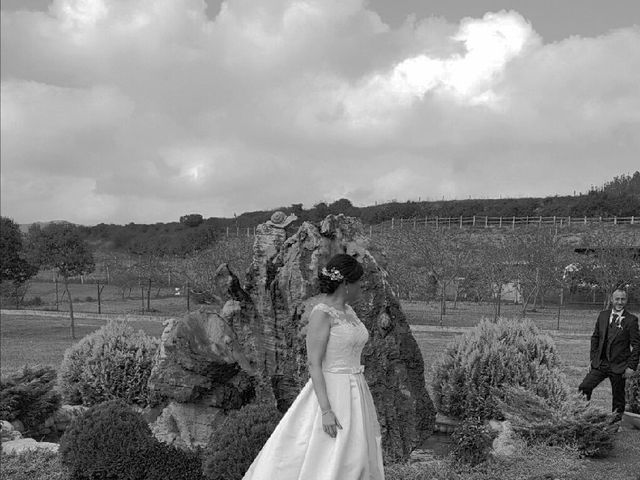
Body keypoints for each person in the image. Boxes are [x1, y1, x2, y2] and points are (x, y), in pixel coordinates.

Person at [243, 253, 385, 480]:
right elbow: (314, 363)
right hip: (332, 391)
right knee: (331, 452)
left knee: (359, 452)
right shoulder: (322, 313)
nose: (362, 287)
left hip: (356, 389)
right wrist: (326, 411)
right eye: (358, 282)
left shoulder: (348, 311)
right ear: (346, 284)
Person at [578, 288, 640, 417]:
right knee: (584, 387)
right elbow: (595, 337)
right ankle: (583, 416)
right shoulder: (603, 315)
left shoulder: (631, 320)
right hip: (601, 364)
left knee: (618, 399)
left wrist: (631, 366)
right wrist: (593, 359)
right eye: (617, 299)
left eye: (623, 299)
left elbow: (637, 344)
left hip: (620, 366)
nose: (620, 302)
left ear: (626, 300)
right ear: (612, 300)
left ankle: (614, 425)